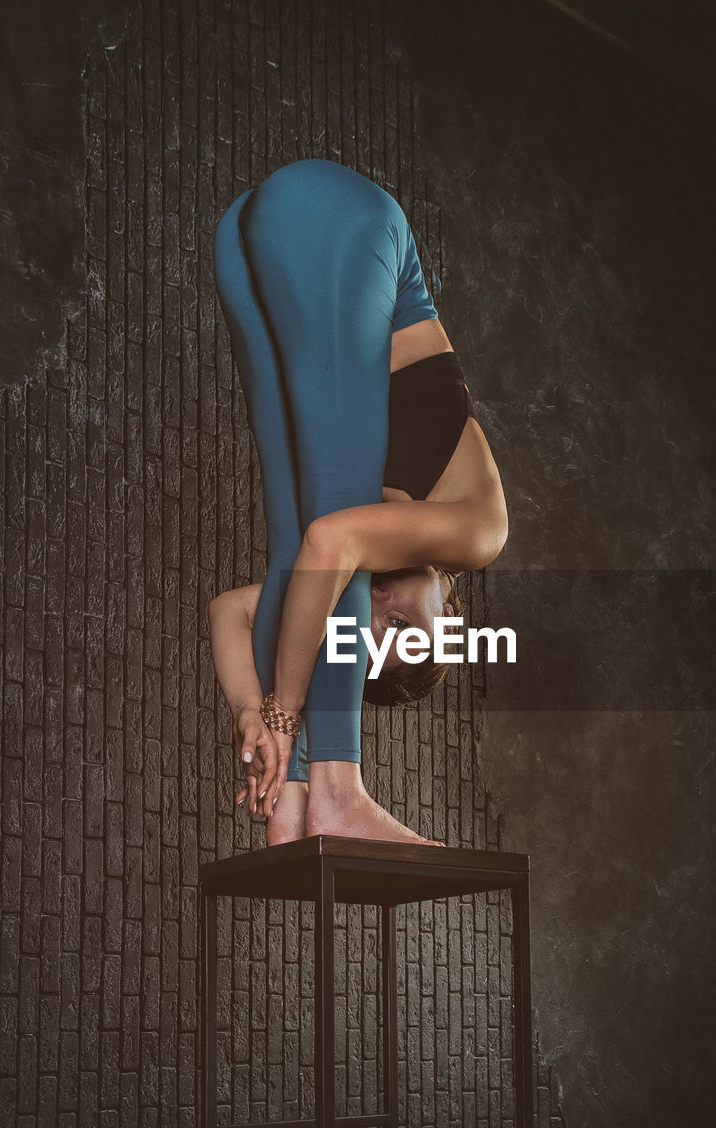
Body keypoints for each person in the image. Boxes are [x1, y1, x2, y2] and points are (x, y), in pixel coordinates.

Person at [208, 158, 507, 846]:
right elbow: (332, 548)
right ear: (451, 614)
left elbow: (233, 607)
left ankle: (289, 797)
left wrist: (251, 711)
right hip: (345, 221)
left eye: (375, 634)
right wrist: (285, 708)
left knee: (300, 551)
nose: (388, 611)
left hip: (245, 239)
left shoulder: (360, 573)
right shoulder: (478, 533)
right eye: (412, 629)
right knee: (324, 544)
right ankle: (334, 789)